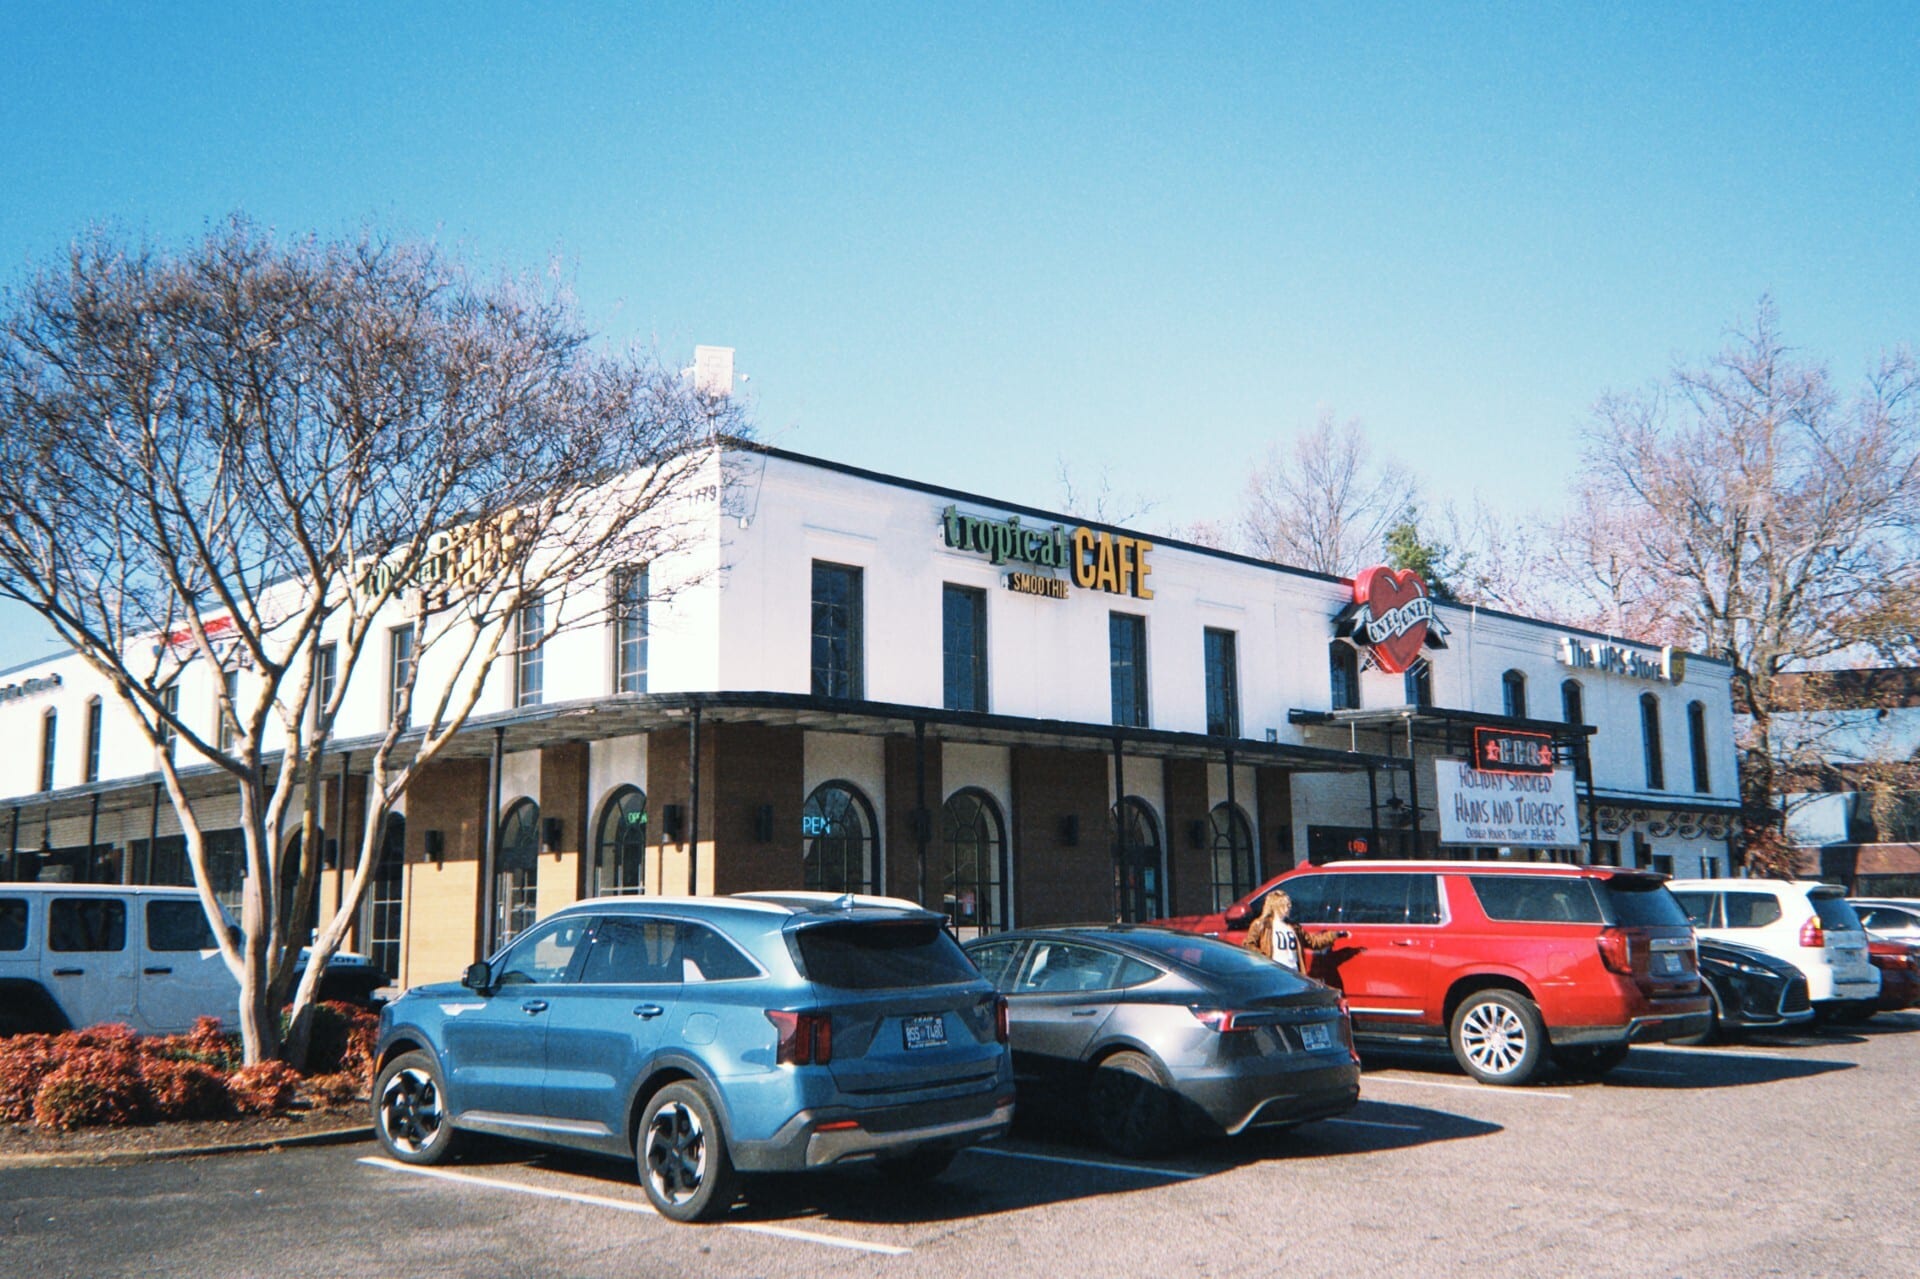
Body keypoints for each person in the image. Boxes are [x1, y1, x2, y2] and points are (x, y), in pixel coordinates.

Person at [1244, 888, 1340, 973]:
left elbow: (1313, 942)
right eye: (1283, 905)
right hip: (1274, 972)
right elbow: (1249, 945)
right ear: (1274, 906)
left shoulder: (1294, 927)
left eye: (1289, 905)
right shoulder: (1261, 924)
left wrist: (1334, 935)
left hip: (1293, 971)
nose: (1288, 908)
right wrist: (1264, 958)